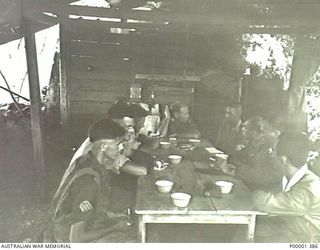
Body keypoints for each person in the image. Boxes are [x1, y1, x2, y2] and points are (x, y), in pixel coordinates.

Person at [44, 119, 139, 243]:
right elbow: (77, 239)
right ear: (103, 146)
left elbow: (92, 205)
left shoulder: (87, 160)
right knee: (136, 238)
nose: (120, 148)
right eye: (117, 144)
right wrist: (115, 227)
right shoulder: (89, 182)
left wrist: (109, 215)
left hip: (70, 224)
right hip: (65, 238)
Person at [253, 132, 320, 243]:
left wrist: (256, 194)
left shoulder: (309, 188)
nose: (271, 154)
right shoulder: (290, 177)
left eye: (273, 151)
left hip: (307, 243)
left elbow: (265, 202)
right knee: (250, 230)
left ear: (283, 159)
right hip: (293, 232)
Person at [224, 116, 282, 191]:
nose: (260, 135)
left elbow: (264, 177)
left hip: (264, 194)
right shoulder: (265, 145)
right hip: (253, 188)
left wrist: (235, 171)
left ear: (276, 133)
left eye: (263, 132)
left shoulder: (279, 153)